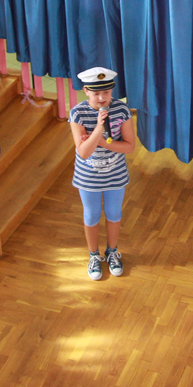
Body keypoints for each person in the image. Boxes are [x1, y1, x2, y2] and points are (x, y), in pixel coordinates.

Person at [69, 66, 135, 281]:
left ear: (112, 90)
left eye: (106, 92)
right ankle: (93, 255)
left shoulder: (122, 110)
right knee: (91, 215)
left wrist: (100, 142)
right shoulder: (77, 113)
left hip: (115, 174)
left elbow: (129, 147)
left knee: (114, 213)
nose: (101, 98)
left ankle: (112, 251)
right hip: (88, 177)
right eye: (96, 93)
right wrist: (99, 129)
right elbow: (83, 152)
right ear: (86, 91)